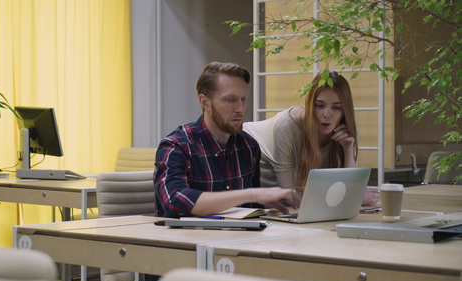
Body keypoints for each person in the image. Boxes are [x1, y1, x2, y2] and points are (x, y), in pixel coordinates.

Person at [153, 61, 300, 219]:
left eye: (243, 99)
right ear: (205, 102)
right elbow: (174, 202)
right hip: (186, 240)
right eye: (230, 100)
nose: (240, 109)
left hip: (236, 240)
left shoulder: (249, 146)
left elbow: (252, 212)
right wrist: (250, 194)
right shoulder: (176, 146)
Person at [243, 71, 379, 203]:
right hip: (248, 160)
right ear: (309, 105)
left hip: (293, 197)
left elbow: (348, 188)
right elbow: (291, 196)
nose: (326, 114)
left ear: (344, 111)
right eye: (319, 106)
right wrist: (353, 197)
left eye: (336, 107)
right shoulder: (287, 127)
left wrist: (348, 149)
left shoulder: (347, 132)